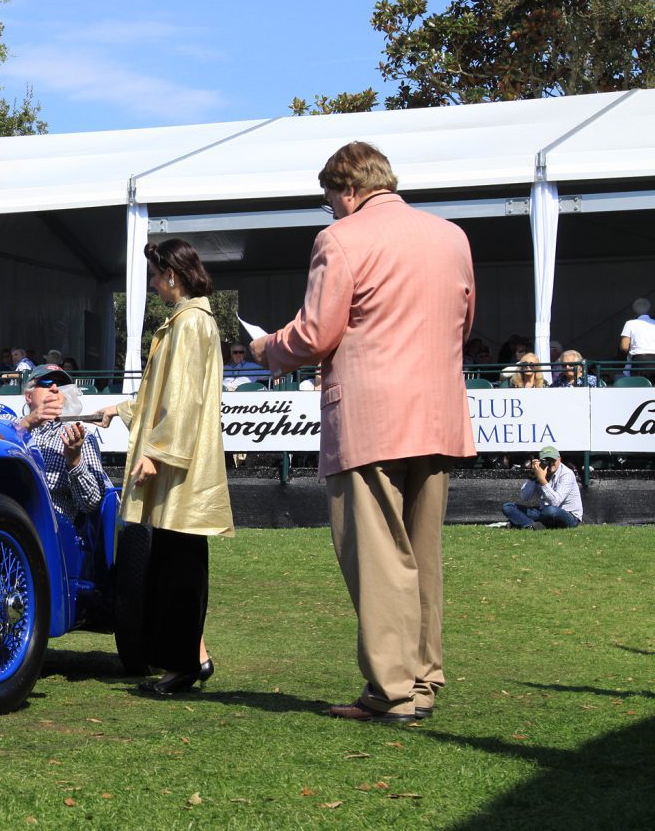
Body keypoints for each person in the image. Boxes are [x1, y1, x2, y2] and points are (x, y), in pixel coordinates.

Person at [250, 141, 475, 724]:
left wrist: (266, 348)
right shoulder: (452, 238)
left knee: (379, 561)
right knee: (422, 557)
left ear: (347, 190)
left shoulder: (341, 239)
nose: (331, 212)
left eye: (331, 201)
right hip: (438, 413)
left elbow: (317, 333)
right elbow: (463, 321)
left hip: (370, 420)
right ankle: (421, 682)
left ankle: (391, 692)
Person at [93, 238, 233, 696]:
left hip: (180, 467)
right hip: (179, 461)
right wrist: (122, 409)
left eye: (156, 276)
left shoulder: (191, 324)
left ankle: (183, 666)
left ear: (172, 274)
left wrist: (156, 452)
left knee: (179, 567)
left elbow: (184, 400)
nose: (154, 285)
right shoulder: (187, 323)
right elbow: (167, 392)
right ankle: (193, 657)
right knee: (177, 562)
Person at [19, 364, 107, 523]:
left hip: (52, 525)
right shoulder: (9, 426)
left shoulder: (80, 435)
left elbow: (91, 503)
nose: (54, 388)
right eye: (46, 382)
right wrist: (28, 424)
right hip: (6, 516)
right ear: (29, 396)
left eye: (61, 385)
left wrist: (74, 461)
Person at [497, 446, 583, 529]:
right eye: (546, 460)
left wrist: (542, 480)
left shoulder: (566, 474)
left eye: (553, 460)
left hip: (568, 515)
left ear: (559, 460)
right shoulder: (539, 471)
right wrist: (533, 476)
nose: (550, 463)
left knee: (551, 511)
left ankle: (524, 523)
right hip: (544, 512)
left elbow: (555, 502)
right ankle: (531, 526)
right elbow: (524, 497)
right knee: (508, 507)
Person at [619, 297, 655, 377]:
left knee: (640, 386)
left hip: (639, 360)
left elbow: (624, 347)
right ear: (649, 309)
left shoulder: (630, 323)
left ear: (634, 310)